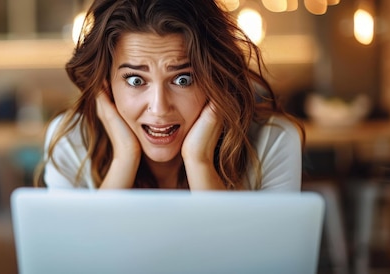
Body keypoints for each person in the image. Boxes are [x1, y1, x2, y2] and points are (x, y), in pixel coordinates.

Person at [34, 0, 304, 191]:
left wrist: (200, 162)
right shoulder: (71, 141)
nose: (160, 108)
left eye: (182, 79)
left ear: (214, 78)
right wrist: (124, 158)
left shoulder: (273, 142)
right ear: (106, 84)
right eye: (136, 80)